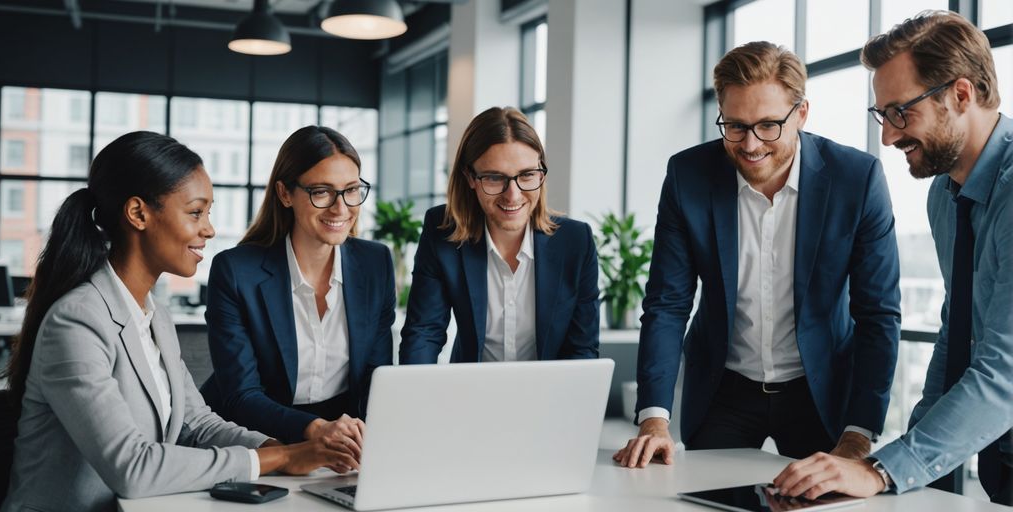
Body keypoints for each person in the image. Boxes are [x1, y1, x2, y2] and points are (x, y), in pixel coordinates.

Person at [2, 132, 360, 512]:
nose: (209, 229)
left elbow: (197, 424)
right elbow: (133, 466)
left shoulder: (154, 314)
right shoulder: (76, 321)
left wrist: (288, 451)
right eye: (195, 212)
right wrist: (281, 460)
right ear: (139, 214)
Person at [615, 41, 901, 468]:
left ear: (801, 113)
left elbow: (877, 313)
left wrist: (859, 433)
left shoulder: (856, 179)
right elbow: (667, 304)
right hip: (722, 390)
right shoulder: (687, 176)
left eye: (769, 125)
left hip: (820, 391)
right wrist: (654, 417)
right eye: (735, 126)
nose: (750, 145)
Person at [774, 10, 1012, 505]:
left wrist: (885, 470)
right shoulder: (945, 196)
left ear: (961, 95)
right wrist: (893, 469)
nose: (887, 136)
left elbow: (1005, 369)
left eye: (901, 112)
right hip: (997, 450)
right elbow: (957, 334)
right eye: (881, 116)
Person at [200, 126, 395, 446]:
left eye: (351, 189)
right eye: (322, 192)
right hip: (250, 439)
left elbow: (375, 380)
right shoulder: (236, 271)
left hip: (338, 443)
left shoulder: (376, 265)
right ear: (285, 193)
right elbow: (240, 395)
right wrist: (316, 430)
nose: (341, 208)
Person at [400, 107, 599, 364]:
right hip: (471, 394)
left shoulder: (576, 241)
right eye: (495, 178)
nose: (513, 195)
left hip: (550, 396)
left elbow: (582, 349)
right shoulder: (442, 231)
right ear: (470, 177)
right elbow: (424, 333)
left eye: (527, 175)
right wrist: (412, 397)